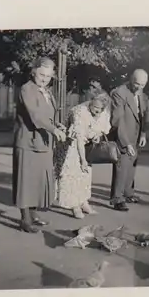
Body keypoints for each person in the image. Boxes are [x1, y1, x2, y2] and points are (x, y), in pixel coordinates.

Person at [12, 57, 67, 233]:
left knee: (38, 180)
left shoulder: (47, 91)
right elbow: (35, 115)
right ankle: (25, 219)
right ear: (34, 71)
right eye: (42, 74)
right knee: (25, 180)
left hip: (43, 142)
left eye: (48, 76)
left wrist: (56, 125)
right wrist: (53, 129)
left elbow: (48, 114)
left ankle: (34, 214)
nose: (44, 79)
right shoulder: (27, 89)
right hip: (28, 141)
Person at [54, 89, 112, 219]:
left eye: (99, 108)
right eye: (93, 106)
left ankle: (84, 202)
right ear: (90, 101)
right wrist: (83, 160)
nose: (95, 110)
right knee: (73, 175)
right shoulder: (80, 111)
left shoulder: (104, 113)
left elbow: (102, 130)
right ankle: (74, 206)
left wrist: (97, 135)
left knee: (84, 175)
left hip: (86, 146)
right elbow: (79, 138)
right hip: (72, 146)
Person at [109, 69, 149, 211]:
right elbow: (117, 121)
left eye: (143, 85)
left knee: (131, 165)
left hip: (136, 135)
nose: (139, 87)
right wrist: (125, 142)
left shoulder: (142, 94)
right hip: (123, 135)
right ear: (131, 79)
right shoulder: (119, 93)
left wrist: (143, 133)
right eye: (137, 83)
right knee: (122, 166)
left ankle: (128, 193)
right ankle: (117, 199)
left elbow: (143, 114)